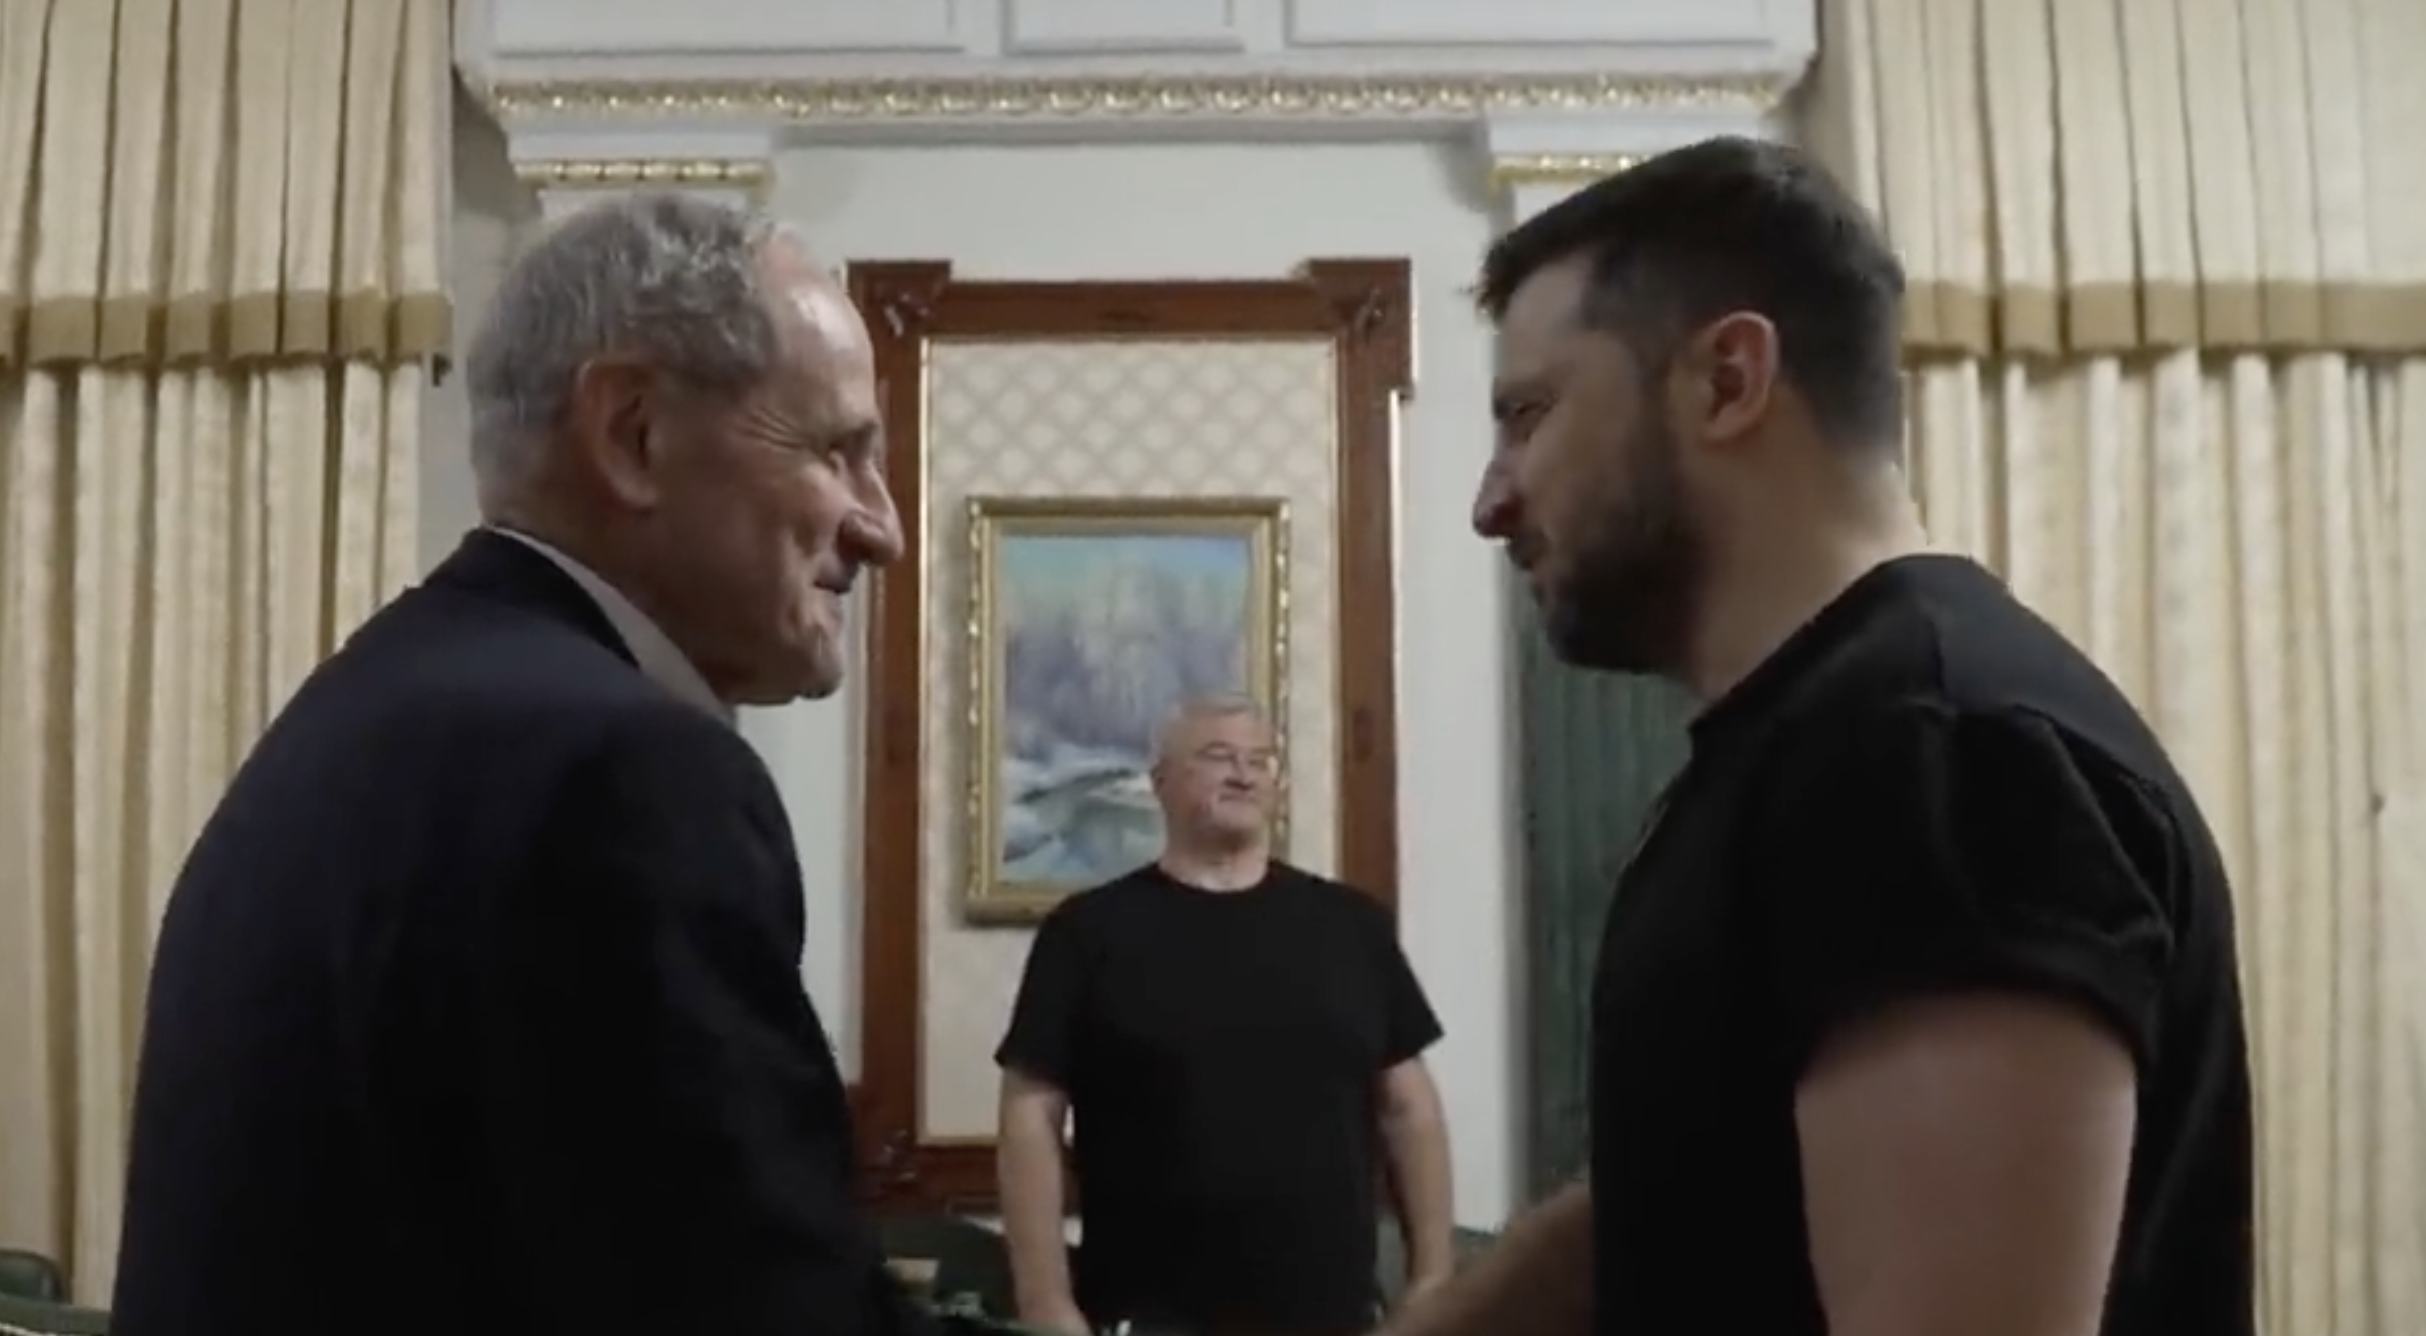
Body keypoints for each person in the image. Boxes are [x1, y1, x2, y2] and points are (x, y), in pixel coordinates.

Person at [1381, 137, 2255, 1336]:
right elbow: (1715, 1172)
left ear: (1726, 379)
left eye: (1527, 414)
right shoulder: (1826, 744)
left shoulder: (1938, 756)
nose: (1490, 501)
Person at [112, 194, 930, 1336]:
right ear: (632, 435)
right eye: (836, 452)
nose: (882, 528)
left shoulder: (383, 707)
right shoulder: (622, 776)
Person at [996, 698, 1455, 1336]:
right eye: (1218, 757)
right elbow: (1030, 1118)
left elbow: (1409, 1110)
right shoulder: (1086, 932)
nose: (1243, 774)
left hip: (1331, 1314)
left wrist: (1433, 1280)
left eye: (1259, 761)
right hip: (1147, 1316)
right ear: (1160, 782)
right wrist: (1046, 1302)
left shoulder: (1353, 927)